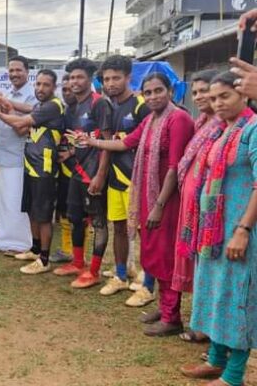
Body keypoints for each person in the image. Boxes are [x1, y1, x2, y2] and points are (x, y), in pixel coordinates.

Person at [72, 72, 194, 336]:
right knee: (152, 251)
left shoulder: (179, 119)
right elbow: (126, 143)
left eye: (158, 91)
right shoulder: (151, 120)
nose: (153, 97)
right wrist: (91, 141)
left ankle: (172, 317)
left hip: (167, 199)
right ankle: (165, 307)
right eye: (148, 92)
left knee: (164, 254)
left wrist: (159, 205)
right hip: (148, 195)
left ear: (170, 91)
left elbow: (174, 167)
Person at [178, 71, 257, 386]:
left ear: (244, 94)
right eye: (213, 98)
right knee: (215, 291)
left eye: (225, 96)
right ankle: (215, 359)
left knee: (237, 295)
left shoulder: (253, 129)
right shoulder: (220, 131)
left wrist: (243, 230)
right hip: (214, 230)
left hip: (241, 227)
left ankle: (234, 375)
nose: (217, 103)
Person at [0, 69, 66, 274]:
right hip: (31, 166)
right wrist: (6, 103)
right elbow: (25, 108)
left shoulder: (53, 106)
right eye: (38, 84)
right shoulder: (41, 105)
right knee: (32, 210)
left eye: (46, 85)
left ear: (54, 87)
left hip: (44, 169)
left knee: (43, 216)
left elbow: (21, 122)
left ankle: (44, 260)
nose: (40, 88)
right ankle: (35, 249)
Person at [54, 58, 113, 290]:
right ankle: (78, 263)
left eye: (79, 77)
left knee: (98, 222)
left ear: (90, 79)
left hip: (94, 174)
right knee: (75, 217)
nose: (74, 82)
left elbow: (108, 142)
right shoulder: (73, 107)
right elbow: (77, 138)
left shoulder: (100, 103)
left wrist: (100, 175)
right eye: (71, 77)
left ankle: (94, 272)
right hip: (77, 172)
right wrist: (70, 152)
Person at [97, 55, 151, 298]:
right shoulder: (109, 106)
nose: (111, 83)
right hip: (115, 179)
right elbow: (108, 143)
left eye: (116, 78)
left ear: (128, 77)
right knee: (118, 226)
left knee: (142, 230)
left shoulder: (141, 105)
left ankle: (147, 277)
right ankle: (120, 275)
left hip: (136, 180)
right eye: (107, 79)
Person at [174, 69, 219, 344]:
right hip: (194, 206)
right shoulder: (200, 123)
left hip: (212, 209)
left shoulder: (225, 126)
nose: (200, 96)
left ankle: (208, 327)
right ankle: (201, 323)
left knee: (210, 267)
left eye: (205, 91)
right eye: (196, 92)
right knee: (200, 265)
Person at [0, 56, 36, 256]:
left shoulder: (32, 97)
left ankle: (20, 242)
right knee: (4, 201)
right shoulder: (7, 93)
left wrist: (6, 109)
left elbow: (21, 128)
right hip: (3, 154)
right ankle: (4, 238)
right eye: (11, 71)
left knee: (17, 201)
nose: (14, 74)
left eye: (18, 70)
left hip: (19, 156)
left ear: (27, 72)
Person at [50, 73, 76, 264]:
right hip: (62, 168)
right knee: (64, 209)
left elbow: (95, 137)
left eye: (71, 89)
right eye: (64, 89)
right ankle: (67, 249)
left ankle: (78, 254)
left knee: (79, 213)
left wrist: (71, 152)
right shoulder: (63, 111)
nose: (68, 93)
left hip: (81, 169)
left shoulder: (88, 109)